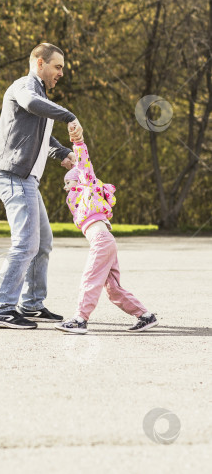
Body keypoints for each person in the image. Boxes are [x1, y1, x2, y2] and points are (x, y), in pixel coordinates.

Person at [0, 43, 84, 330]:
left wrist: (63, 153)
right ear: (40, 63)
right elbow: (31, 104)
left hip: (26, 178)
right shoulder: (24, 87)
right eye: (58, 66)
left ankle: (31, 304)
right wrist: (68, 115)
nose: (61, 73)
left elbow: (42, 137)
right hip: (13, 175)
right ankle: (2, 309)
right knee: (26, 243)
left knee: (42, 242)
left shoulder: (40, 94)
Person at [55, 138, 158, 334]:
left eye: (67, 182)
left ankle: (80, 319)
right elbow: (78, 167)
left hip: (101, 242)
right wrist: (68, 158)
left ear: (79, 180)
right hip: (106, 242)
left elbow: (84, 164)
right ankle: (145, 316)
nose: (65, 187)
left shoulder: (87, 188)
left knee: (90, 279)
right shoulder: (81, 198)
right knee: (112, 288)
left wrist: (77, 142)